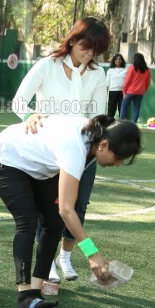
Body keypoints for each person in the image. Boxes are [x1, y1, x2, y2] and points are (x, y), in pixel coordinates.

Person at [0, 115, 142, 308]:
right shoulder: (75, 148)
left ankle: (35, 293)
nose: (119, 164)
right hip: (9, 158)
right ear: (104, 144)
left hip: (40, 168)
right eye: (119, 158)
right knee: (26, 222)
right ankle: (24, 295)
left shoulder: (93, 139)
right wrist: (92, 253)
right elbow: (67, 209)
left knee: (53, 224)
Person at [10, 16, 110, 284]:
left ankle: (64, 257)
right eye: (85, 47)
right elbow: (19, 101)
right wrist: (29, 115)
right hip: (49, 150)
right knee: (50, 208)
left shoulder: (98, 74)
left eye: (95, 51)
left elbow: (100, 116)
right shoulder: (48, 65)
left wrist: (95, 140)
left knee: (79, 205)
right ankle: (47, 261)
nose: (89, 55)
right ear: (73, 40)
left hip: (82, 150)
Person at [120, 53, 152, 124]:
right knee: (136, 108)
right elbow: (148, 82)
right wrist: (144, 90)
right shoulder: (147, 70)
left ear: (134, 59)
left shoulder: (132, 67)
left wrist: (124, 91)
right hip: (140, 92)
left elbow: (127, 80)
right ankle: (134, 123)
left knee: (124, 106)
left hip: (130, 91)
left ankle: (121, 122)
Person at [105, 53, 126, 119]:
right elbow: (107, 82)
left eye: (120, 59)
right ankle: (109, 123)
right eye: (116, 59)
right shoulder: (110, 70)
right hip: (113, 91)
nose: (118, 60)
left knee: (122, 109)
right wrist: (105, 92)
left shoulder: (126, 70)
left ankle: (122, 124)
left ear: (122, 61)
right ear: (114, 61)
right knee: (111, 109)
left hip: (122, 92)